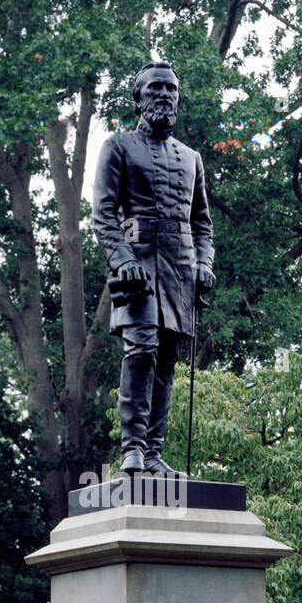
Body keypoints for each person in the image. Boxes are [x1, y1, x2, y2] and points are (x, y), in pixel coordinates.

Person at [91, 62, 215, 476]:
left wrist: (204, 263)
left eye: (171, 89)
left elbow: (201, 224)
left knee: (166, 362)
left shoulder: (192, 158)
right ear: (138, 97)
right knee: (141, 350)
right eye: (156, 87)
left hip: (180, 269)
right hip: (137, 267)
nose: (165, 94)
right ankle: (132, 448)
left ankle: (155, 452)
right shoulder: (118, 146)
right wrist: (123, 258)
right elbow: (104, 213)